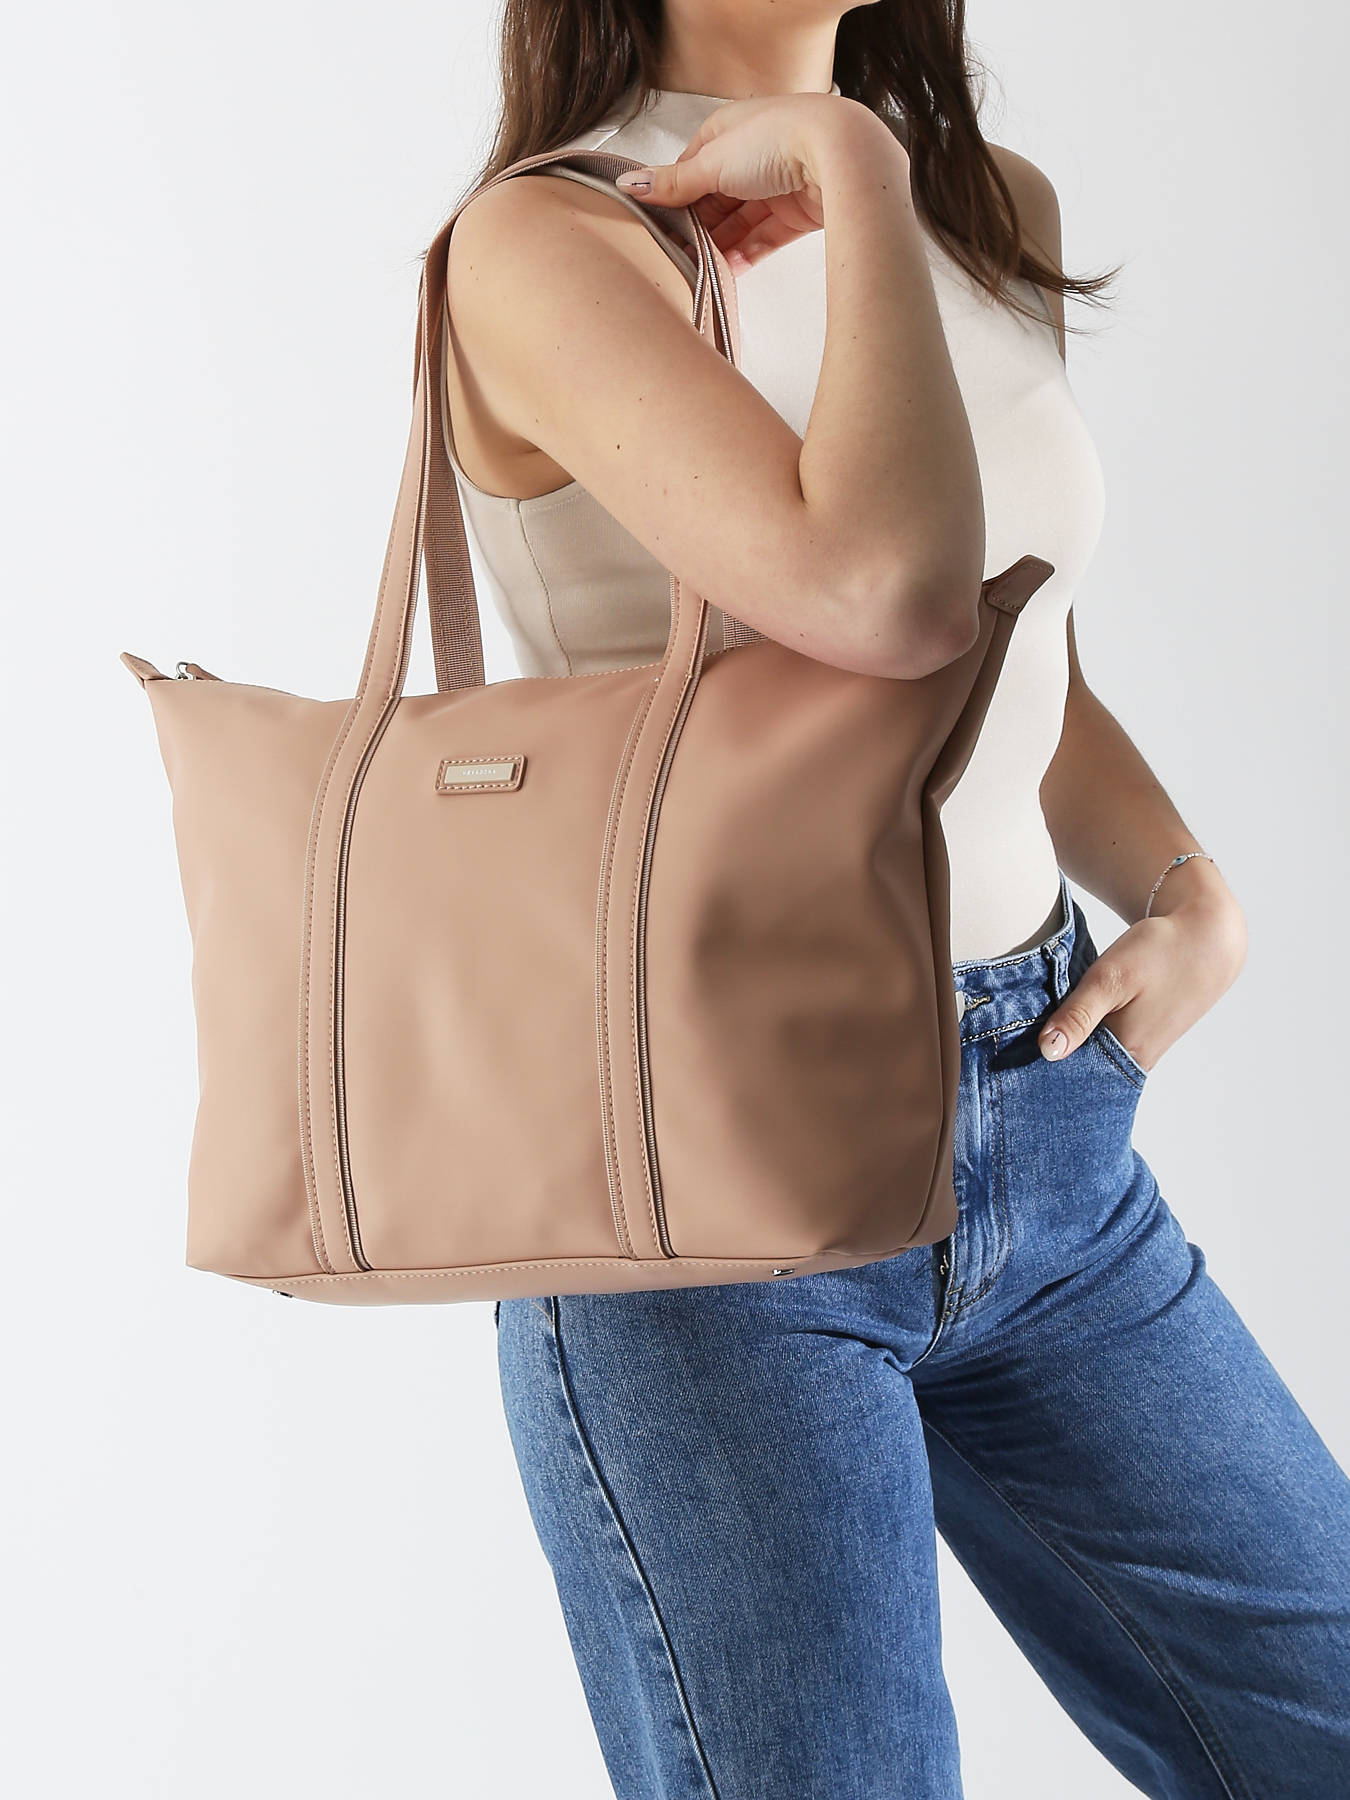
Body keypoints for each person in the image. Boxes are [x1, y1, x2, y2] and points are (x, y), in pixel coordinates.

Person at [440, 4, 1350, 1794]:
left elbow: (1012, 645)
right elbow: (885, 598)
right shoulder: (548, 242)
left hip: (1045, 1125)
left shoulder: (984, 201)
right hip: (710, 1183)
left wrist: (1182, 886)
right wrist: (850, 170)